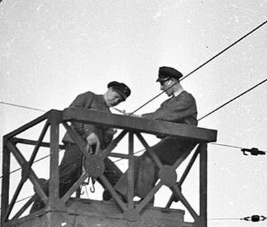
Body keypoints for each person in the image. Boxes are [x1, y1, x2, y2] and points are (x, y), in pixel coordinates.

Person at [30, 81, 131, 211]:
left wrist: (109, 134)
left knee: (118, 179)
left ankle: (112, 207)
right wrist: (88, 133)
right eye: (116, 96)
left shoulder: (109, 115)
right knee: (68, 175)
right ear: (110, 89)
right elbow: (71, 113)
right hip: (76, 143)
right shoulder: (89, 97)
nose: (116, 101)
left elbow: (104, 145)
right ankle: (40, 203)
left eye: (120, 100)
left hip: (95, 153)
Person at [114, 66, 197, 201]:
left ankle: (145, 199)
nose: (161, 88)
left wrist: (138, 117)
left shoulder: (186, 99)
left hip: (180, 143)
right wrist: (137, 116)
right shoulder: (168, 102)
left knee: (148, 158)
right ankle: (120, 193)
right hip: (170, 141)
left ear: (171, 81)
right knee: (141, 159)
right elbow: (158, 117)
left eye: (162, 83)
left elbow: (162, 116)